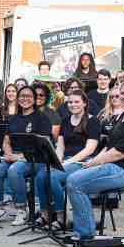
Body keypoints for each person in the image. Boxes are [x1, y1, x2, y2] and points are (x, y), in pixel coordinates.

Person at [66, 79, 124, 240]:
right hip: (120, 166)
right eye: (123, 93)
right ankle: (78, 225)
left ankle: (86, 233)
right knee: (72, 175)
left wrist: (93, 163)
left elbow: (120, 152)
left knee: (75, 182)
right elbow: (110, 146)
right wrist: (92, 162)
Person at [0, 85, 52, 225]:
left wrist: (18, 157)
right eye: (22, 96)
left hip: (34, 158)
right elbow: (6, 140)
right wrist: (8, 153)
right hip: (13, 156)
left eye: (28, 96)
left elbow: (41, 144)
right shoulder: (15, 118)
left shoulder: (42, 118)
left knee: (15, 170)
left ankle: (22, 209)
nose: (25, 99)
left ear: (34, 99)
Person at [35, 89, 101, 227]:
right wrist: (57, 160)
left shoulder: (92, 121)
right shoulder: (65, 120)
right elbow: (61, 145)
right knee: (41, 176)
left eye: (76, 102)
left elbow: (90, 149)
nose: (73, 104)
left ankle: (61, 216)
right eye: (70, 102)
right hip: (66, 160)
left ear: (84, 103)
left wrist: (68, 162)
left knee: (52, 177)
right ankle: (46, 213)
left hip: (83, 161)